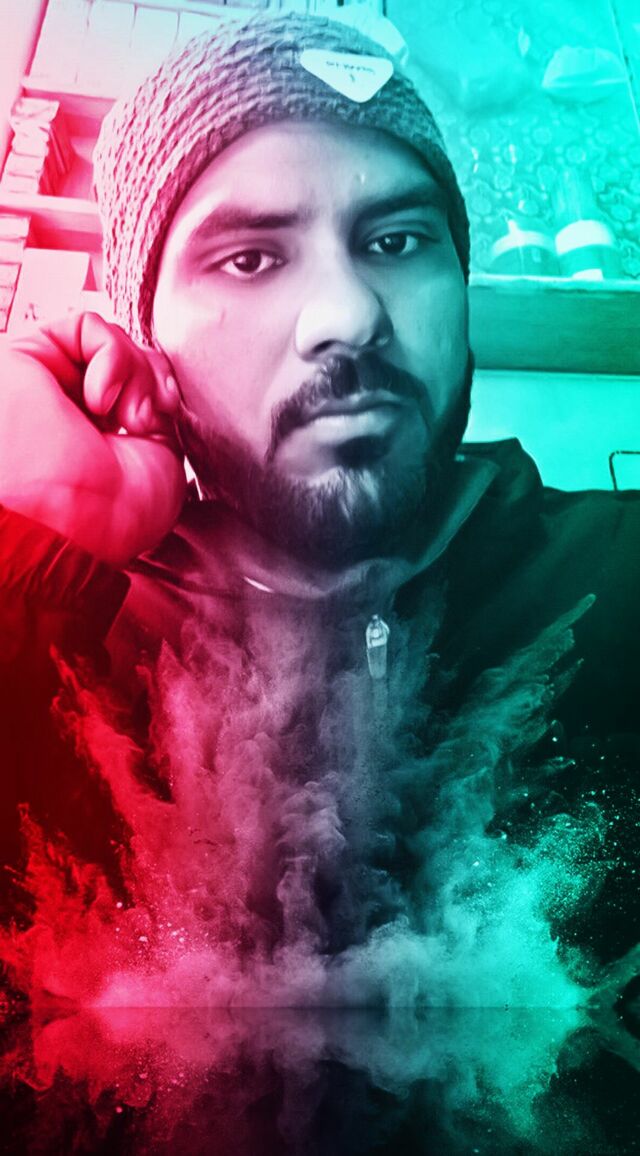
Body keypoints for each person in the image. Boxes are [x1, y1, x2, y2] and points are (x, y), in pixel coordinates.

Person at [0, 12, 639, 1009]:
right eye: (250, 259)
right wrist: (33, 543)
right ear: (141, 338)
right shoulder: (58, 648)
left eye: (397, 241)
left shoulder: (619, 585)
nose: (348, 314)